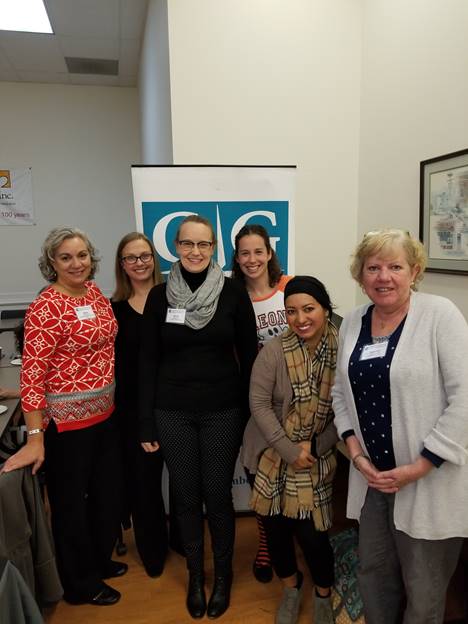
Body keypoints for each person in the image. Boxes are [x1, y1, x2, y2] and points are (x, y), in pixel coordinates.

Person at [332, 229, 468, 624]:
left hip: (428, 481)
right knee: (373, 577)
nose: (383, 276)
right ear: (360, 276)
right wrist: (356, 455)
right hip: (374, 480)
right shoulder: (353, 321)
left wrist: (422, 465)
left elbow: (465, 398)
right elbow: (341, 393)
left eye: (395, 266)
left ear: (415, 271)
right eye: (372, 268)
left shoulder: (439, 314)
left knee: (424, 592)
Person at [139, 214, 258, 619]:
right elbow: (147, 361)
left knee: (218, 495)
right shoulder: (159, 297)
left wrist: (247, 414)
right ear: (175, 247)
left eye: (203, 245)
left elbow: (251, 358)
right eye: (187, 244)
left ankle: (222, 576)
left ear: (213, 249)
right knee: (186, 497)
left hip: (223, 410)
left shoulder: (233, 294)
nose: (195, 252)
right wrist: (146, 421)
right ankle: (195, 575)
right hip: (171, 411)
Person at [2, 226, 125, 606]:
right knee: (71, 505)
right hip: (67, 426)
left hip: (105, 417)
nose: (77, 263)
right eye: (66, 257)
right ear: (51, 262)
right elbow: (34, 372)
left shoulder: (95, 294)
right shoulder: (46, 306)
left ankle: (96, 561)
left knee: (105, 498)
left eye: (83, 255)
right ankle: (77, 584)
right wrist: (36, 437)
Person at [242, 275, 339, 624]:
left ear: (325, 309)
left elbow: (345, 412)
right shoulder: (274, 351)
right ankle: (291, 588)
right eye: (292, 311)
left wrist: (315, 445)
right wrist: (287, 449)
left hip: (314, 457)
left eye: (309, 309)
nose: (300, 319)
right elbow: (258, 403)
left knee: (313, 539)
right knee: (277, 534)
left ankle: (323, 594)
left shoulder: (343, 351)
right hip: (268, 456)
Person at [232, 223, 291, 583]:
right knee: (257, 470)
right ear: (236, 259)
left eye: (258, 251)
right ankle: (266, 541)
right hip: (252, 400)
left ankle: (293, 540)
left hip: (295, 398)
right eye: (244, 253)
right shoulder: (233, 297)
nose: (252, 259)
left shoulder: (290, 287)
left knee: (293, 471)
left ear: (269, 253)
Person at [112, 231, 169, 577]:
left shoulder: (173, 298)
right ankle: (152, 549)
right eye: (131, 257)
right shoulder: (112, 309)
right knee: (144, 483)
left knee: (183, 481)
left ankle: (181, 539)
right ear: (122, 265)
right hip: (133, 410)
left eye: (145, 255)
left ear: (154, 258)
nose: (139, 263)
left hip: (175, 404)